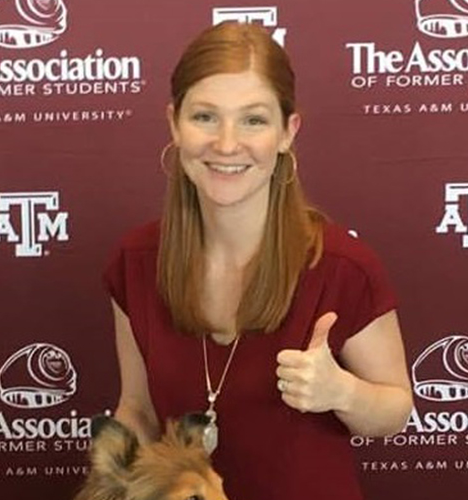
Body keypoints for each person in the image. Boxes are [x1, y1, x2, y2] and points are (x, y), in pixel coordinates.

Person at [103, 21, 413, 500]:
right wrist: (113, 481)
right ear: (174, 124)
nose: (227, 144)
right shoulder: (135, 262)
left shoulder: (343, 266)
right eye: (205, 117)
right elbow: (138, 410)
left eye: (253, 120)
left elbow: (394, 410)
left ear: (288, 132)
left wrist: (341, 392)